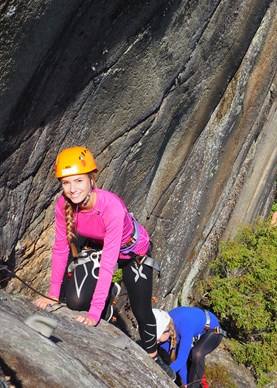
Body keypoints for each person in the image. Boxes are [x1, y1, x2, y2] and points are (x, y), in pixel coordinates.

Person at [34, 146, 166, 367]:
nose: (72, 189)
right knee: (75, 302)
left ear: (91, 179)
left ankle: (153, 356)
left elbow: (109, 263)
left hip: (134, 254)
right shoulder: (62, 205)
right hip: (99, 247)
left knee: (142, 312)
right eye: (66, 183)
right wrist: (53, 295)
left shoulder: (111, 206)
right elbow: (60, 249)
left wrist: (94, 313)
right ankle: (108, 305)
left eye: (78, 181)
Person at [153, 306, 225, 388]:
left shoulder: (184, 325)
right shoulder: (165, 332)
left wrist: (164, 373)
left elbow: (181, 360)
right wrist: (186, 382)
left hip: (213, 330)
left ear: (166, 333)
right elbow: (178, 360)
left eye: (158, 340)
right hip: (193, 329)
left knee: (197, 354)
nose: (157, 342)